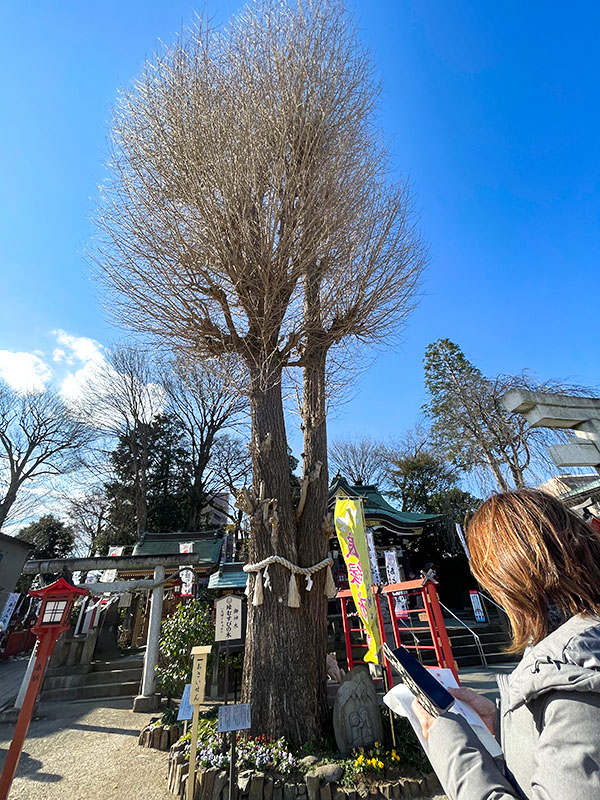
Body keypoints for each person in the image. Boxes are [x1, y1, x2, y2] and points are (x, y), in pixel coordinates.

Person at [412, 489, 600, 800]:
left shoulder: (571, 676)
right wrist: (505, 724)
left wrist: (449, 740)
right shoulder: (575, 650)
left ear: (507, 578)